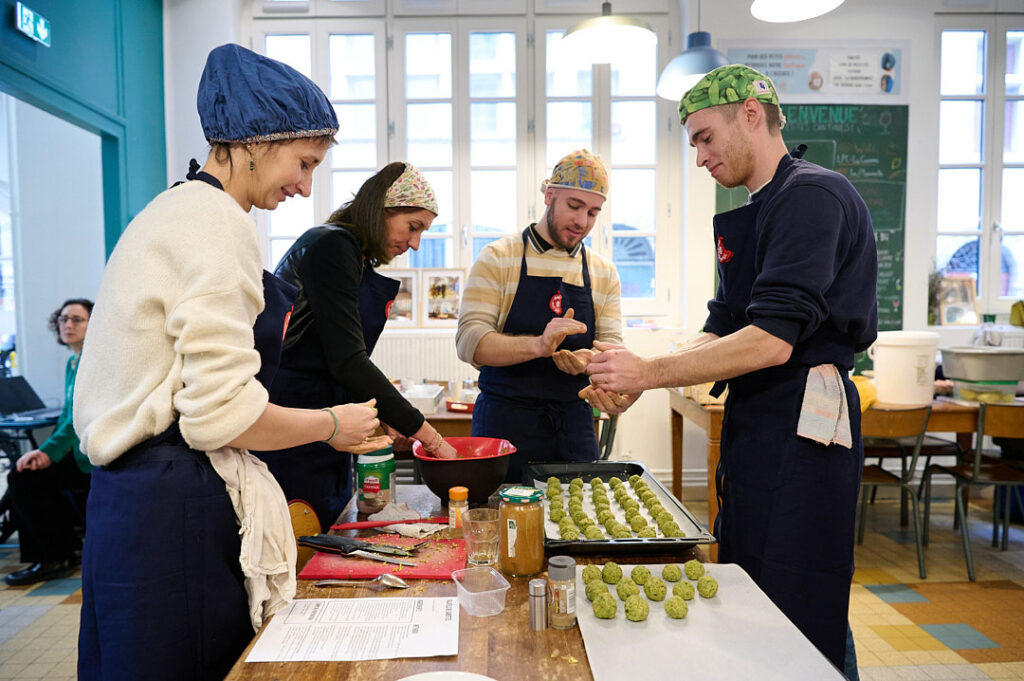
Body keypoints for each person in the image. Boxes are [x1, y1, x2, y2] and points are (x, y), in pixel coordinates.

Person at [72, 44, 389, 681]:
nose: (305, 186)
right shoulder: (216, 223)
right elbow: (218, 416)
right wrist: (332, 424)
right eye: (303, 163)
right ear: (252, 143)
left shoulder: (176, 207)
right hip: (173, 510)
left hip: (129, 503)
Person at [584, 65, 878, 671]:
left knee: (800, 591)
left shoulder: (812, 197)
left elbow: (772, 340)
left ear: (750, 114)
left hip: (807, 416)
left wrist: (649, 372)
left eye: (704, 137)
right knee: (750, 578)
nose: (698, 158)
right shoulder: (756, 212)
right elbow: (723, 325)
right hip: (760, 417)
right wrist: (640, 376)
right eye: (692, 143)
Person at [256, 162, 457, 530]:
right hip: (294, 427)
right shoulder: (333, 246)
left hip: (324, 425)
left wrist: (381, 414)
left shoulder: (352, 255)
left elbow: (339, 356)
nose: (415, 244)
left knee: (324, 532)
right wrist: (426, 433)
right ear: (382, 207)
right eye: (413, 227)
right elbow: (348, 361)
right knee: (298, 542)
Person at [456, 149, 623, 483]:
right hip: (503, 425)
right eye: (574, 206)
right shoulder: (498, 257)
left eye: (593, 212)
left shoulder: (603, 272)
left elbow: (613, 350)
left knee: (577, 523)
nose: (582, 222)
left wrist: (591, 360)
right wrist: (538, 346)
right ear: (549, 195)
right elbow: (469, 342)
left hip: (572, 428)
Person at [4, 298, 93, 586]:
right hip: (79, 452)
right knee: (24, 475)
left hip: (91, 457)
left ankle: (57, 556)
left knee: (25, 478)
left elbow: (79, 415)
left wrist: (48, 451)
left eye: (77, 319)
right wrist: (47, 451)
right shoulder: (73, 360)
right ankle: (56, 552)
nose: (68, 324)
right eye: (64, 319)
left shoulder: (92, 360)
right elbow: (67, 413)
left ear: (94, 324)